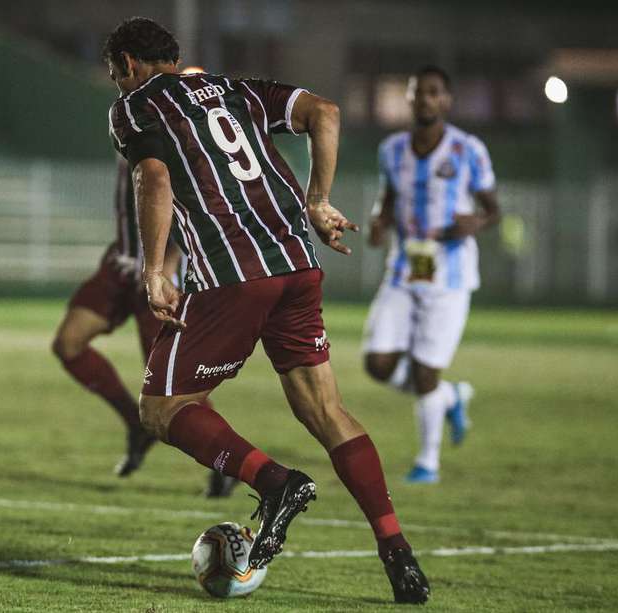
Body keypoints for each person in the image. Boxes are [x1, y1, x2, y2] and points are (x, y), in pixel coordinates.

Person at [103, 17, 429, 604]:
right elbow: (325, 111)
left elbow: (154, 177)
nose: (115, 84)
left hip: (232, 276)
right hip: (298, 265)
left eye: (113, 73)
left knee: (161, 408)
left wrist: (155, 270)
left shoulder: (136, 105)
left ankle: (274, 482)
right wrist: (318, 200)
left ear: (128, 65)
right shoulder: (238, 89)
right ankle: (397, 550)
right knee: (327, 411)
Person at [51, 157, 237, 496]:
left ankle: (226, 458)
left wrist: (167, 266)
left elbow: (191, 204)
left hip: (157, 276)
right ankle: (136, 428)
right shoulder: (127, 118)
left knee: (171, 386)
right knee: (69, 343)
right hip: (121, 265)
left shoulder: (166, 126)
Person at [364, 66, 500, 484]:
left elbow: (493, 209)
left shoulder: (468, 150)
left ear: (446, 100)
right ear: (409, 99)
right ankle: (449, 397)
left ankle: (428, 462)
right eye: (417, 92)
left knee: (425, 372)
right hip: (404, 269)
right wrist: (378, 222)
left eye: (433, 92)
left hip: (450, 276)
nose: (425, 99)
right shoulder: (392, 150)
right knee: (378, 363)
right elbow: (386, 200)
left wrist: (472, 224)